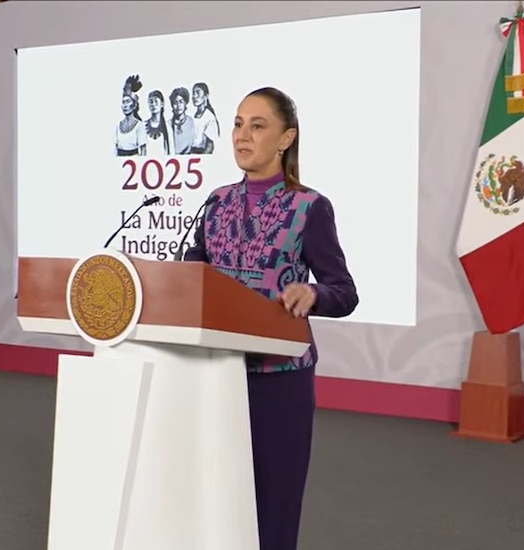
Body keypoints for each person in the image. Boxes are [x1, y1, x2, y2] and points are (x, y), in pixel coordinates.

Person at [182, 86, 358, 550]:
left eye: (257, 126)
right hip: (214, 373)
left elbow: (345, 292)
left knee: (273, 506)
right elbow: (190, 275)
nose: (242, 136)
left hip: (278, 379)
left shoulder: (310, 208)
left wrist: (312, 292)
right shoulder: (216, 203)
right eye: (238, 124)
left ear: (286, 139)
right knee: (214, 499)